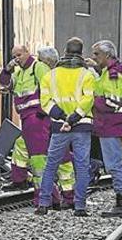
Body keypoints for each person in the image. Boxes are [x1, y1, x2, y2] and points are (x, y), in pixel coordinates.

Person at [35, 37, 96, 216]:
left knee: (51, 165)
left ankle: (43, 204)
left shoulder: (50, 75)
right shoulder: (87, 75)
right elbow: (88, 99)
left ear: (65, 51)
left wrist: (63, 117)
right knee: (82, 166)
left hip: (59, 126)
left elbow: (45, 102)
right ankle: (80, 207)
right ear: (81, 53)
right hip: (81, 126)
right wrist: (74, 117)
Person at [90, 40, 122, 217]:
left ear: (107, 55)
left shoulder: (113, 75)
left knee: (114, 164)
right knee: (115, 163)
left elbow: (114, 102)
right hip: (108, 124)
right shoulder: (108, 72)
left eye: (97, 54)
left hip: (110, 124)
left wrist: (92, 101)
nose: (94, 58)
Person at [0, 45, 51, 192]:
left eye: (19, 55)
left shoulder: (38, 67)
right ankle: (19, 180)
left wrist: (42, 111)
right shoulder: (19, 71)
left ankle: (44, 192)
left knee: (37, 155)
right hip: (26, 117)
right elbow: (5, 82)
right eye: (14, 56)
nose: (16, 59)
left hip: (36, 117)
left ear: (28, 52)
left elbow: (49, 88)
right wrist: (7, 70)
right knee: (20, 147)